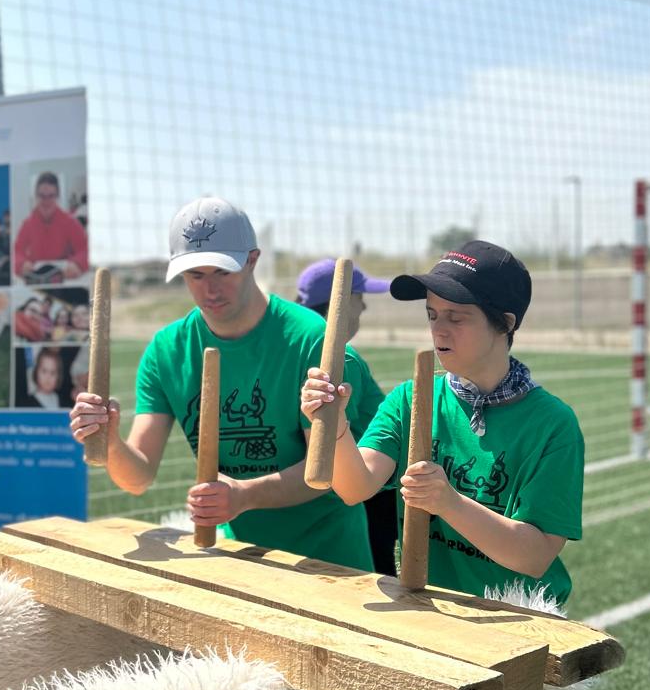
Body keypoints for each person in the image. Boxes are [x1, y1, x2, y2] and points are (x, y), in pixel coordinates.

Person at [69, 197, 381, 568]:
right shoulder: (167, 351)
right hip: (238, 557)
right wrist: (111, 441)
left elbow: (325, 471)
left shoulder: (313, 341)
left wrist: (244, 495)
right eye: (195, 275)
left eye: (222, 272)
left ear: (252, 260)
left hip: (331, 562)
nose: (210, 290)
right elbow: (138, 477)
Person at [301, 240, 584, 605]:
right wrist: (336, 423)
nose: (439, 330)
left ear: (505, 323)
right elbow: (355, 487)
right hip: (431, 608)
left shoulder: (553, 425)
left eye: (456, 317)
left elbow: (534, 556)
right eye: (433, 315)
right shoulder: (410, 398)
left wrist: (449, 502)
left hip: (520, 615)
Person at [297, 256, 397, 576]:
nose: (363, 306)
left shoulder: (296, 347)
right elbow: (335, 445)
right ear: (337, 304)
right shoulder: (343, 359)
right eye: (358, 297)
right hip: (365, 495)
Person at [14, 172, 89, 281]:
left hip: (65, 280)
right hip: (36, 281)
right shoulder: (27, 224)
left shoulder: (71, 223)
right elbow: (17, 251)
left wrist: (78, 264)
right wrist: (21, 264)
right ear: (36, 196)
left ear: (57, 196)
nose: (46, 202)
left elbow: (85, 249)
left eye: (50, 196)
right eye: (42, 196)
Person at [25, 345, 67, 410]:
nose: (48, 377)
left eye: (52, 373)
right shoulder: (28, 403)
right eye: (44, 371)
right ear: (36, 372)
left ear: (58, 376)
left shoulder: (62, 401)